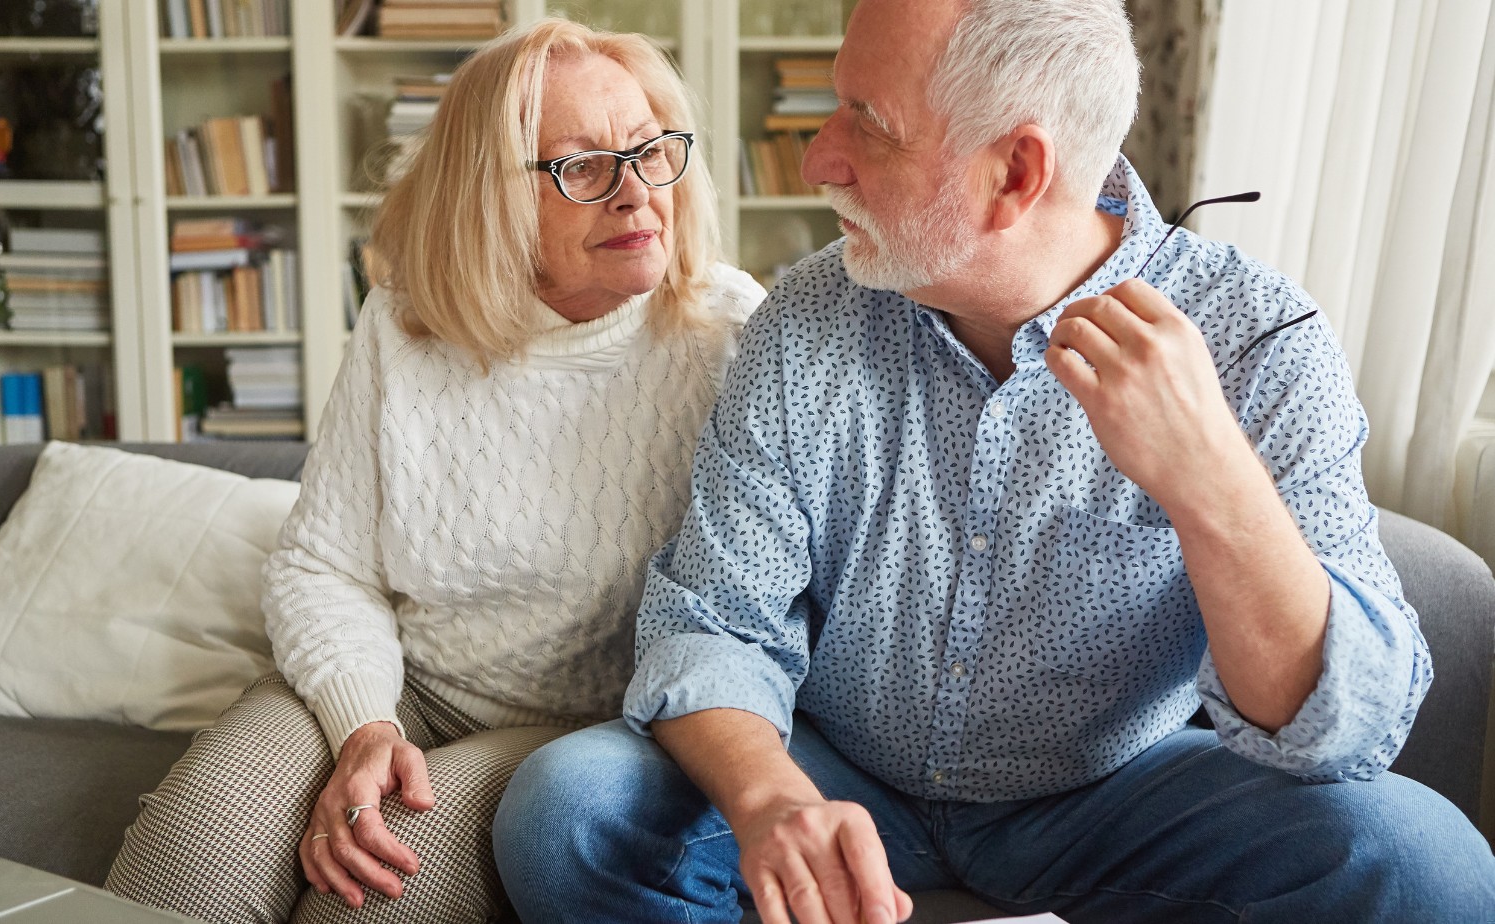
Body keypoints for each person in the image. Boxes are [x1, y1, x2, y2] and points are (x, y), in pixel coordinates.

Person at [492, 1, 1495, 922]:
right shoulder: (804, 322)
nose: (818, 160)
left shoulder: (1255, 337)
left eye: (866, 124)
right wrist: (770, 802)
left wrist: (1207, 479)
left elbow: (1342, 731)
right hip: (839, 770)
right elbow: (712, 621)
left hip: (1118, 796)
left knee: (1425, 865)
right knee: (566, 813)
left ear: (1015, 172)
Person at [104, 18, 765, 924]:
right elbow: (324, 564)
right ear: (490, 196)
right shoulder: (403, 321)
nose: (636, 193)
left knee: (361, 902)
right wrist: (363, 725)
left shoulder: (729, 333)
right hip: (405, 685)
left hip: (582, 731)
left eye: (652, 151)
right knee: (193, 858)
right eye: (581, 166)